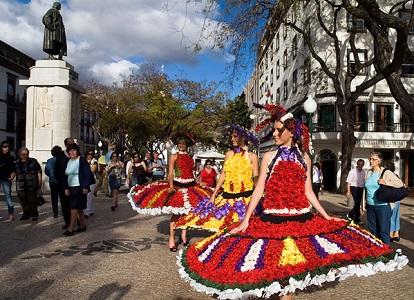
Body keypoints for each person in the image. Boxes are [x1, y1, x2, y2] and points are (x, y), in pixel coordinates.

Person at [177, 104, 407, 299]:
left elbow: (308, 191)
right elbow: (258, 191)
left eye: (278, 131)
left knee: (290, 280)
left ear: (291, 132)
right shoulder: (268, 156)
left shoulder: (304, 157)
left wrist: (325, 216)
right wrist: (246, 219)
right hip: (272, 221)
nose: (274, 134)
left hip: (301, 221)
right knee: (275, 276)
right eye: (274, 131)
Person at [128, 132, 213, 252]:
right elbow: (171, 173)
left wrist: (198, 182)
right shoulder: (174, 156)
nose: (181, 145)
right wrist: (171, 186)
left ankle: (183, 235)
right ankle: (172, 238)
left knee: (187, 212)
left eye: (183, 143)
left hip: (190, 186)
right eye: (179, 143)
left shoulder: (190, 157)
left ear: (187, 145)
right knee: (176, 213)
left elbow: (191, 173)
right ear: (177, 145)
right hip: (177, 186)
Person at [176, 124, 259, 232]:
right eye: (231, 136)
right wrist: (214, 195)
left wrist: (260, 197)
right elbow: (223, 175)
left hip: (246, 199)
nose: (232, 139)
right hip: (228, 197)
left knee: (244, 229)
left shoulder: (252, 156)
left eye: (235, 136)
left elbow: (256, 178)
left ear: (243, 137)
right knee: (222, 227)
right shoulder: (229, 154)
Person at [364, 152, 404, 244]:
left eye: (373, 159)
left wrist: (385, 182)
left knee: (383, 232)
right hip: (370, 206)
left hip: (383, 206)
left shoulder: (385, 172)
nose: (371, 161)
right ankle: (376, 253)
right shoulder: (368, 172)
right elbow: (365, 190)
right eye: (370, 159)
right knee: (373, 231)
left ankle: (386, 254)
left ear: (379, 161)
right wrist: (363, 205)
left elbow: (400, 184)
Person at [63, 143, 94, 236]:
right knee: (79, 207)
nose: (72, 152)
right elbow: (66, 175)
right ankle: (82, 225)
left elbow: (87, 174)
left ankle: (71, 228)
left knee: (74, 207)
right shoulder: (69, 161)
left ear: (77, 151)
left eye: (74, 150)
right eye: (70, 151)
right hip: (71, 187)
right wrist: (66, 188)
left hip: (79, 187)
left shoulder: (81, 160)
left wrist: (85, 186)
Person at [15, 147, 42, 221]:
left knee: (32, 201)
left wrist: (39, 182)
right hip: (20, 185)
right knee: (23, 201)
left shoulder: (33, 161)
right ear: (19, 155)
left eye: (26, 154)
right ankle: (25, 214)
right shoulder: (16, 163)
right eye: (23, 154)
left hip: (32, 184)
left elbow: (39, 172)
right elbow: (14, 173)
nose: (25, 156)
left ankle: (34, 214)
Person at [55, 137, 74, 229]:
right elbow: (56, 170)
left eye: (73, 143)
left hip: (75, 184)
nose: (71, 145)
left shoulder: (77, 155)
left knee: (74, 204)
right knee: (65, 204)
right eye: (69, 144)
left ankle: (75, 221)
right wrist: (60, 181)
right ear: (66, 145)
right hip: (63, 184)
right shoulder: (60, 156)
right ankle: (67, 222)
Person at [346, 159, 365, 224]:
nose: (360, 166)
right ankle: (356, 219)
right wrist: (348, 191)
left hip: (360, 188)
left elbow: (363, 181)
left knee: (358, 203)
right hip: (354, 188)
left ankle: (351, 214)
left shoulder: (363, 172)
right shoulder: (352, 171)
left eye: (362, 164)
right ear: (357, 164)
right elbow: (348, 182)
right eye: (359, 164)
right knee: (357, 203)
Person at [385, 161, 401, 242]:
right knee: (396, 216)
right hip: (398, 198)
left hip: (391, 199)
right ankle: (397, 233)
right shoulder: (396, 175)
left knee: (390, 216)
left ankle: (391, 234)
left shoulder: (387, 176)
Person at [45, 145, 62, 218]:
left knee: (54, 197)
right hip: (61, 181)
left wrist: (51, 175)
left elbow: (46, 171)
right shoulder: (62, 160)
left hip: (52, 181)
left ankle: (55, 212)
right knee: (62, 197)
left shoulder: (49, 161)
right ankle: (64, 211)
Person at [0, 141, 16, 221]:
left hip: (6, 179)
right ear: (1, 147)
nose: (7, 148)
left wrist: (12, 175)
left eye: (8, 146)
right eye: (5, 146)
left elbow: (13, 169)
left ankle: (11, 215)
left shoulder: (11, 157)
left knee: (8, 197)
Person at [84, 150, 98, 217]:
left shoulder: (94, 161)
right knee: (88, 196)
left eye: (91, 154)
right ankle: (91, 210)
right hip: (85, 179)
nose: (90, 155)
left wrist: (88, 164)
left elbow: (93, 170)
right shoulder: (83, 160)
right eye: (88, 154)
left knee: (89, 196)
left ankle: (87, 212)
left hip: (92, 180)